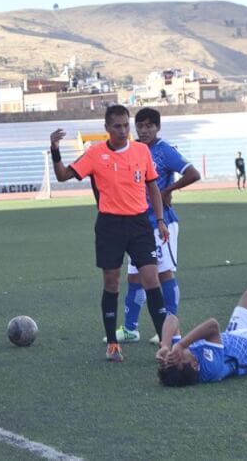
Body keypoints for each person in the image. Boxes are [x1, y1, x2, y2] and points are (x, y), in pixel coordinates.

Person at [49, 104, 169, 362]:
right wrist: (55, 150)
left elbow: (153, 187)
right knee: (112, 282)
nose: (124, 130)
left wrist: (159, 220)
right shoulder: (94, 154)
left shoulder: (141, 151)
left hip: (140, 225)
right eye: (117, 126)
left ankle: (165, 345)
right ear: (107, 128)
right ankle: (113, 344)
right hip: (110, 226)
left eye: (127, 125)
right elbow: (61, 176)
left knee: (152, 279)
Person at [107, 107, 201, 345]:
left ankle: (172, 330)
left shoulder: (164, 150)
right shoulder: (134, 150)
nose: (144, 130)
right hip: (136, 225)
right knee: (134, 276)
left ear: (158, 127)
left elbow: (193, 173)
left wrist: (168, 190)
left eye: (149, 126)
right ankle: (130, 329)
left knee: (163, 273)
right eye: (140, 126)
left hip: (161, 224)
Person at [156, 287, 247, 386]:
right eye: (177, 358)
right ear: (195, 365)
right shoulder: (210, 369)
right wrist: (181, 345)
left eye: (170, 358)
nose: (174, 355)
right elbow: (212, 326)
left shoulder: (180, 359)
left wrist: (165, 346)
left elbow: (172, 319)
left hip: (233, 336)